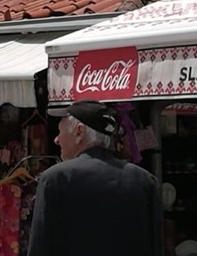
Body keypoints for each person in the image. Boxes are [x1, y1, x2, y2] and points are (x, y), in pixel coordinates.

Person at [28, 100, 162, 256]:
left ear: (79, 132)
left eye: (59, 131)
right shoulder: (144, 181)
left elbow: (40, 247)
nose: (56, 139)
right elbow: (155, 247)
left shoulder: (55, 179)